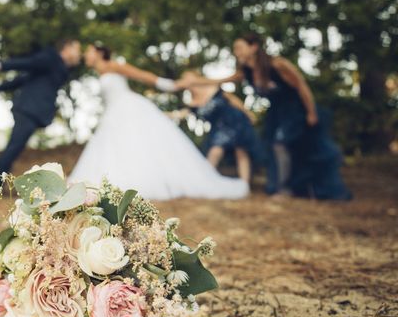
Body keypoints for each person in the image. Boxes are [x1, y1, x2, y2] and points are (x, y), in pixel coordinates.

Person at [179, 33, 351, 200]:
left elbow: (302, 87)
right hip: (276, 112)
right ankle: (284, 187)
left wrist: (311, 112)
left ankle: (284, 188)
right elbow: (220, 81)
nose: (236, 51)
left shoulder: (277, 65)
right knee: (275, 146)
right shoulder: (246, 72)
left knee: (282, 144)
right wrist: (193, 82)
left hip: (295, 111)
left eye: (239, 47)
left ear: (253, 47)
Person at [68, 44, 249, 200]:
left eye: (89, 51)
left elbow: (143, 76)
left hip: (129, 108)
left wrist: (169, 85)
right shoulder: (100, 73)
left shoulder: (113, 65)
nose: (85, 54)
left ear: (99, 53)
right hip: (113, 113)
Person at [0, 39, 82, 192]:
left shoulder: (59, 67)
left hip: (32, 110)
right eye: (77, 49)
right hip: (28, 109)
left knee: (15, 147)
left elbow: (24, 79)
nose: (80, 54)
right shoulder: (51, 58)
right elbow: (27, 63)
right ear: (67, 48)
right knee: (14, 147)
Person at [172, 71, 262, 183]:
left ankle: (245, 184)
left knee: (241, 151)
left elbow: (232, 99)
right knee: (215, 150)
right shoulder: (192, 103)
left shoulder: (212, 87)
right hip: (219, 127)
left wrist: (248, 113)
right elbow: (181, 114)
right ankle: (206, 182)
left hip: (235, 120)